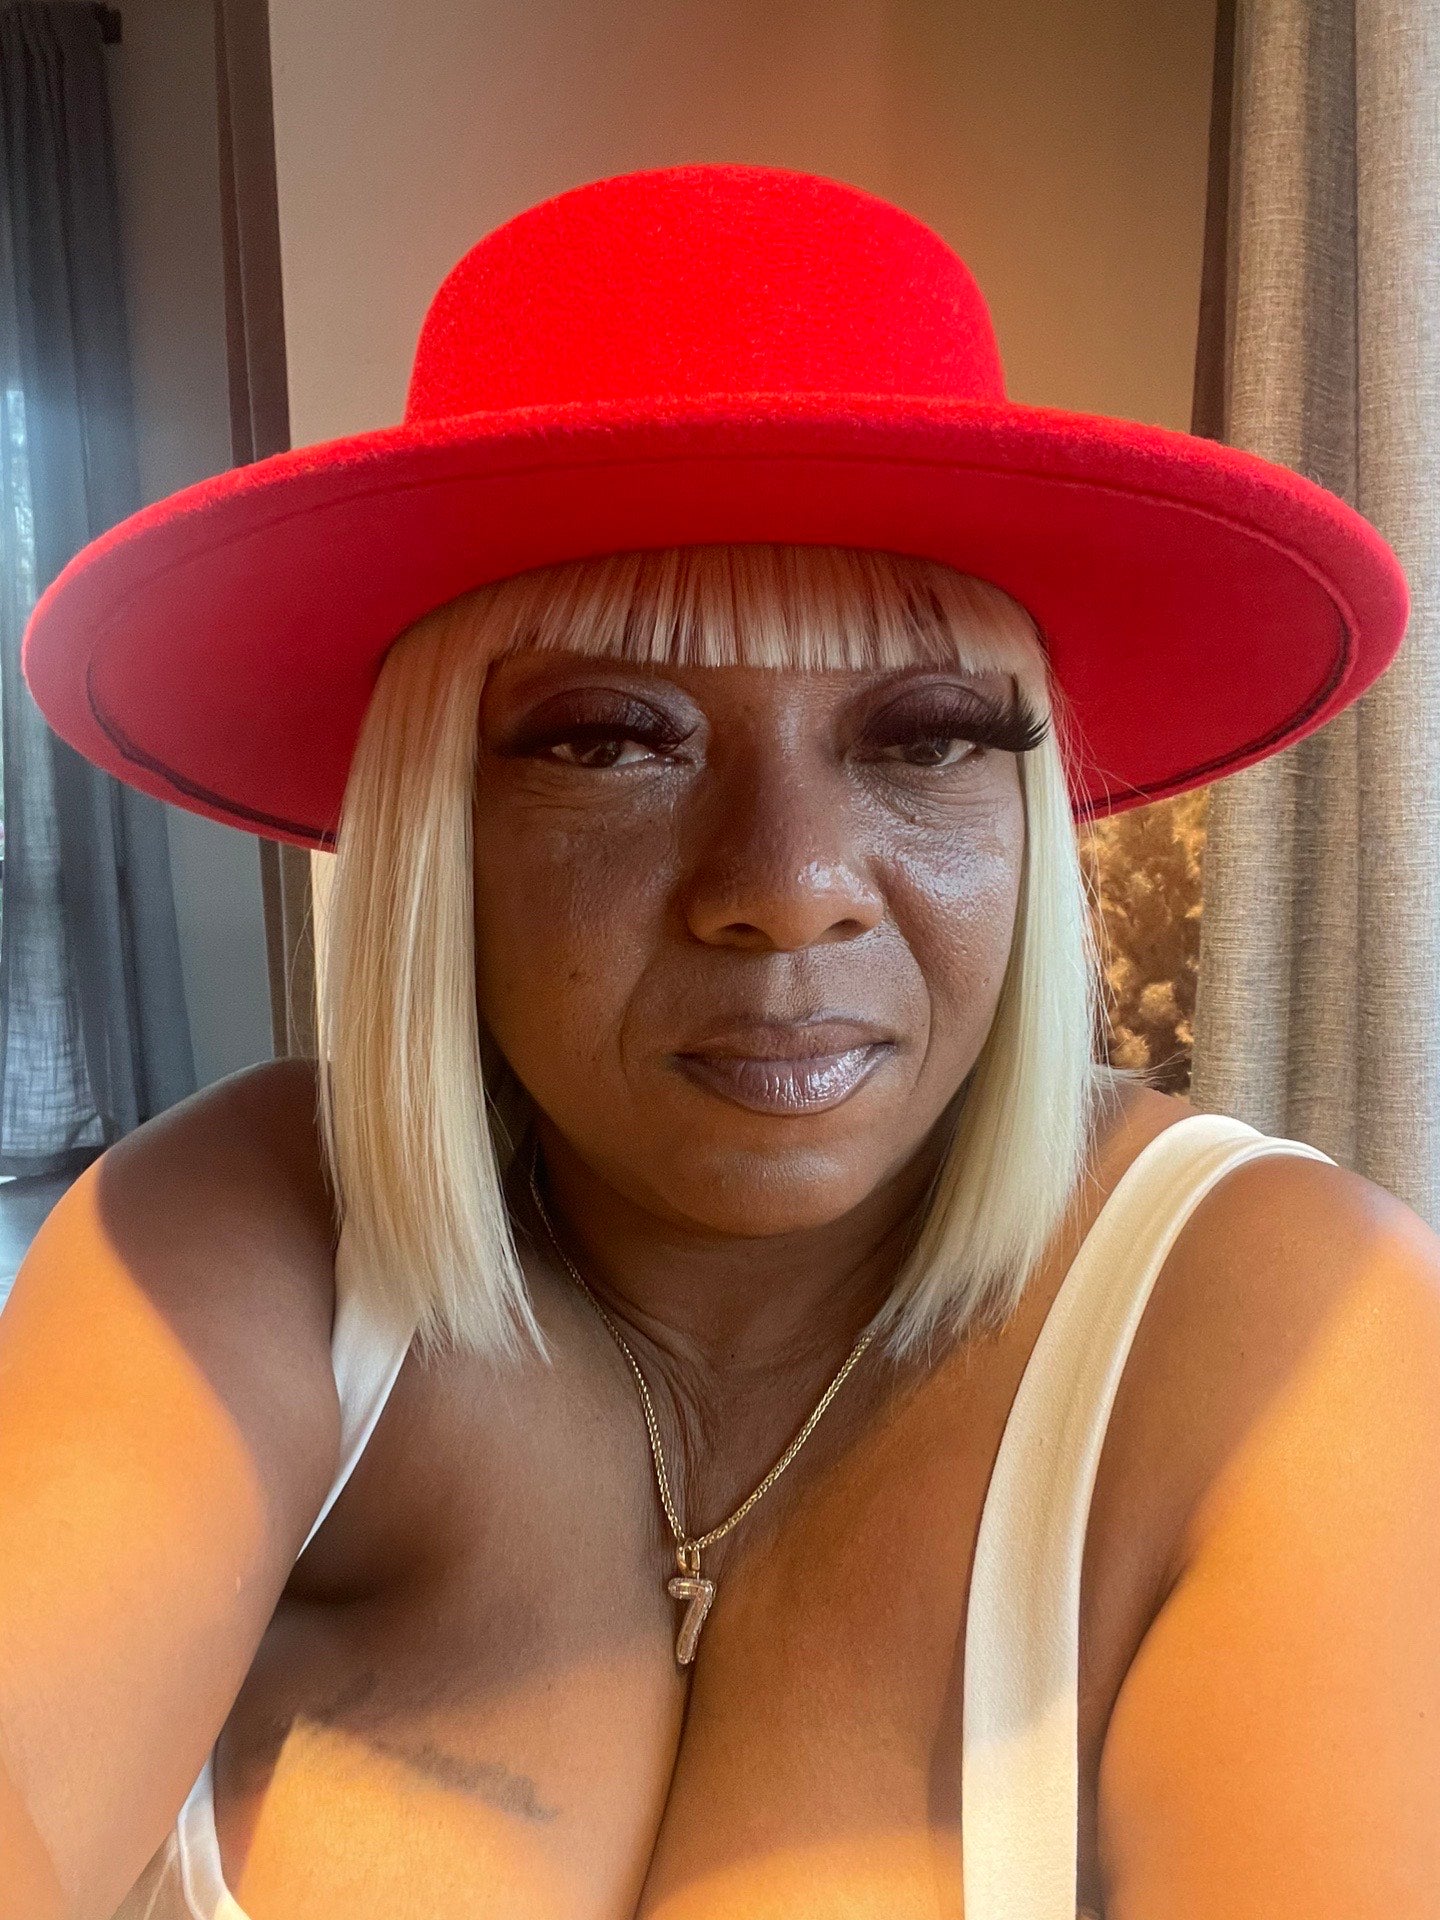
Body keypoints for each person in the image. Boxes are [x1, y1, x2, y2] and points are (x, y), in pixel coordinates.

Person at [5, 163, 1436, 1920]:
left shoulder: (1300, 1330)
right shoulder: (250, 1240)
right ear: (440, 827)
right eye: (612, 741)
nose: (788, 892)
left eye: (925, 736)